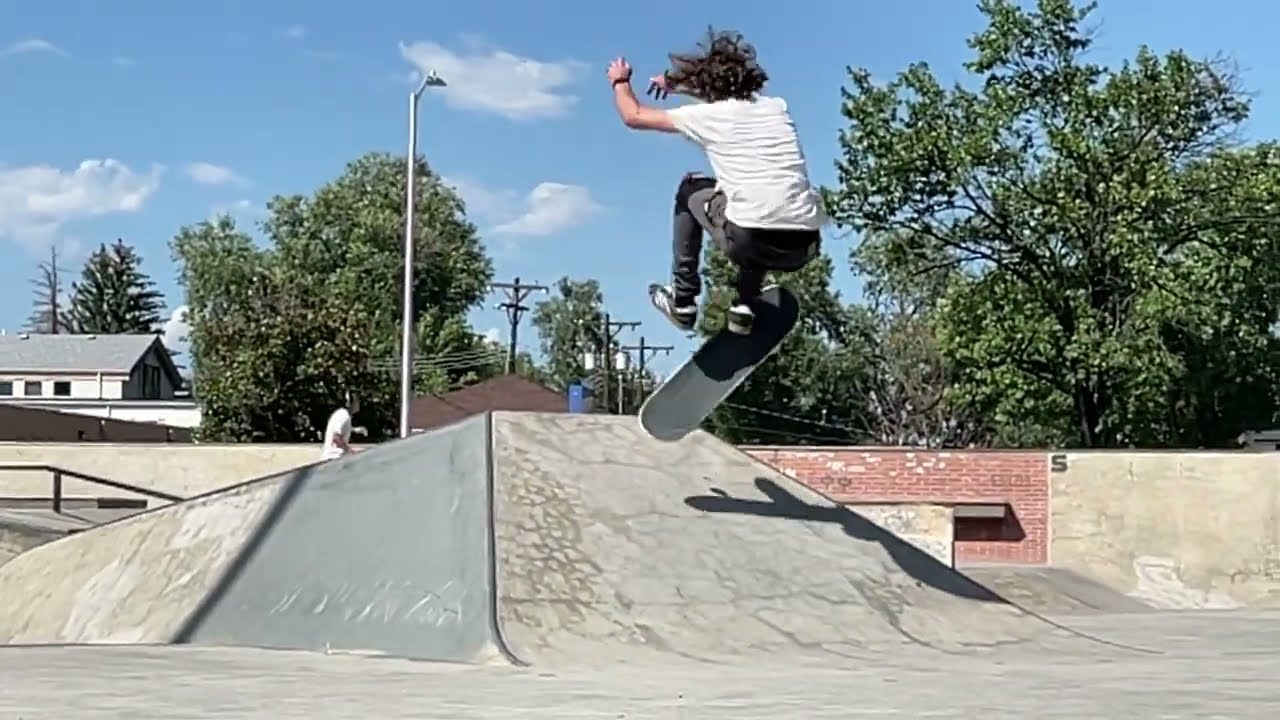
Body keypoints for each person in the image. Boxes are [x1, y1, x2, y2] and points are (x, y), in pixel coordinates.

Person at [607, 29, 826, 335]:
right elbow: (724, 87)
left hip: (751, 238)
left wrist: (620, 81)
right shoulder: (777, 107)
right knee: (748, 199)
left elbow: (634, 115)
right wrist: (677, 82)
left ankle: (683, 302)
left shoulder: (705, 116)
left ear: (705, 87)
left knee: (692, 189)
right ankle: (744, 306)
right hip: (806, 243)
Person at [320, 394, 366, 461]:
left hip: (336, 458)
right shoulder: (343, 415)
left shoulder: (344, 414)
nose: (358, 404)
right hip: (333, 458)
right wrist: (350, 451)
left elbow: (341, 430)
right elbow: (336, 437)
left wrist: (355, 430)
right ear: (349, 403)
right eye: (357, 401)